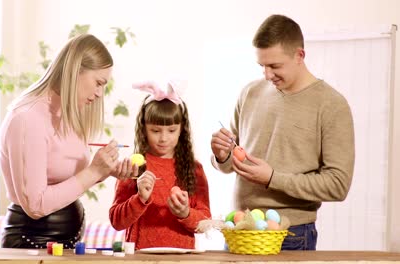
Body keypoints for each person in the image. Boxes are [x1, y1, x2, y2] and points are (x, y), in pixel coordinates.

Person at [210, 14, 355, 250]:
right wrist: (221, 155)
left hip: (291, 236)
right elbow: (229, 164)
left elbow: (338, 185)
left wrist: (272, 178)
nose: (267, 75)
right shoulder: (250, 92)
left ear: (300, 55)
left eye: (275, 66)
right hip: (240, 230)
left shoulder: (331, 105)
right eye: (262, 66)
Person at [0, 34, 137, 248]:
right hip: (31, 245)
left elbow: (67, 178)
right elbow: (36, 205)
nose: (100, 93)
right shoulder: (27, 118)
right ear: (75, 70)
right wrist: (92, 172)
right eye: (98, 83)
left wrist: (104, 170)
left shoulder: (66, 114)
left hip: (63, 244)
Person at [109, 80, 211, 249]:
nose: (163, 138)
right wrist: (140, 199)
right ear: (144, 129)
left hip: (182, 260)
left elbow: (206, 223)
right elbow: (116, 222)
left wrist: (186, 213)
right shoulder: (134, 166)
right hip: (140, 258)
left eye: (171, 130)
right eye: (155, 131)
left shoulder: (194, 169)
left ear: (181, 130)